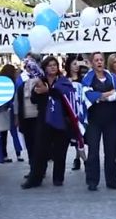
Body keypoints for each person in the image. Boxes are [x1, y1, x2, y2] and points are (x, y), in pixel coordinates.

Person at [21, 57, 84, 189]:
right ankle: (35, 178)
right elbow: (34, 99)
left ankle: (58, 178)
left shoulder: (63, 81)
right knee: (40, 150)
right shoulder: (40, 81)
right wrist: (39, 91)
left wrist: (49, 91)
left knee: (60, 151)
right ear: (44, 68)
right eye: (49, 65)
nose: (53, 67)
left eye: (55, 65)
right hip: (44, 120)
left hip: (61, 120)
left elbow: (65, 95)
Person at [81, 52, 116, 191]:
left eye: (101, 59)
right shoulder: (87, 78)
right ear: (92, 63)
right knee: (93, 151)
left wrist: (102, 97)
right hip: (94, 120)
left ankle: (111, 181)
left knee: (110, 151)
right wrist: (105, 94)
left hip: (111, 119)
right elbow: (88, 95)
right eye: (96, 60)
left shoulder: (112, 78)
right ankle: (92, 181)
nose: (99, 62)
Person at [15, 56, 42, 175]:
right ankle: (33, 168)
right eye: (27, 63)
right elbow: (17, 99)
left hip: (39, 117)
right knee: (30, 144)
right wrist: (16, 116)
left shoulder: (41, 79)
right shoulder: (20, 79)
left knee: (39, 144)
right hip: (25, 118)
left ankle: (39, 169)